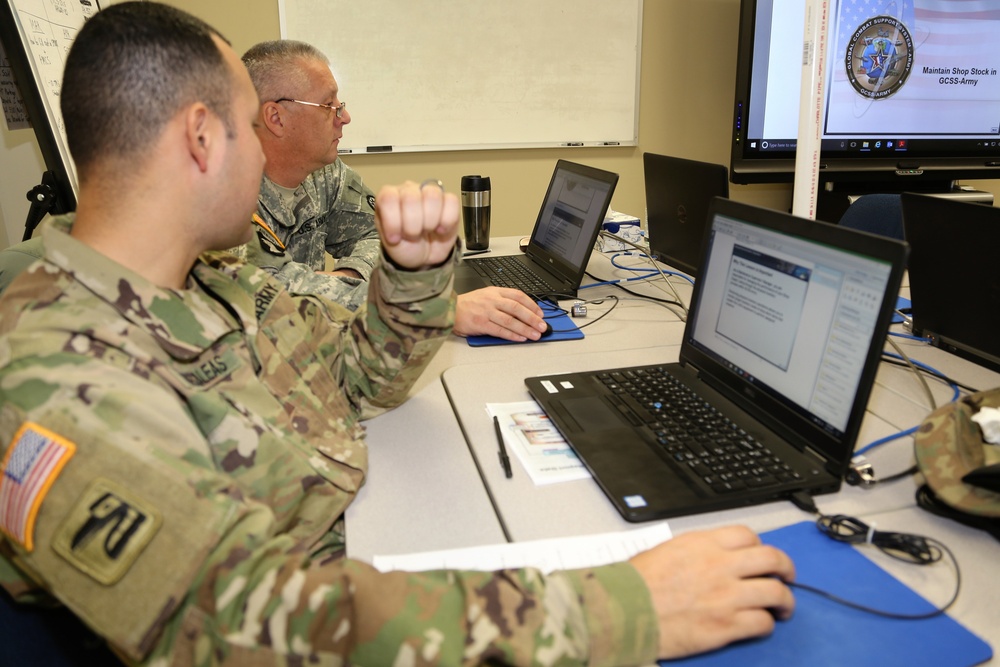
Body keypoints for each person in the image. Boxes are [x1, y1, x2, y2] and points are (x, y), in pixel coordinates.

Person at [0, 3, 796, 665]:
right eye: (250, 124)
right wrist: (620, 608)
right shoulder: (52, 373)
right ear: (204, 138)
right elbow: (237, 621)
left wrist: (414, 273)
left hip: (363, 540)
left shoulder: (202, 278)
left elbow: (355, 374)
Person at [230, 38, 548, 343]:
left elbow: (382, 238)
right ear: (276, 117)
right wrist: (435, 311)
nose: (345, 117)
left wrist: (352, 273)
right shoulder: (224, 196)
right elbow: (270, 296)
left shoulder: (326, 175)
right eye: (329, 105)